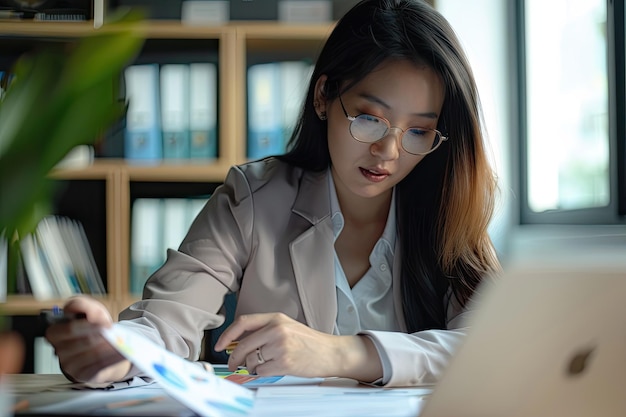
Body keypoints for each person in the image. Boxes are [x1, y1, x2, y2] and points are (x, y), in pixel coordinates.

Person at [46, 0, 500, 388]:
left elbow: (493, 349)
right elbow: (166, 322)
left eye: (419, 130)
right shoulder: (253, 197)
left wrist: (341, 355)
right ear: (324, 96)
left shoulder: (449, 208)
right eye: (369, 118)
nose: (389, 150)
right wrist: (112, 351)